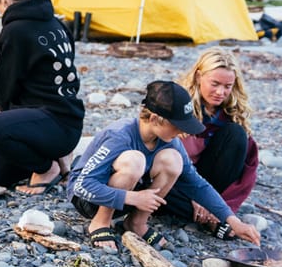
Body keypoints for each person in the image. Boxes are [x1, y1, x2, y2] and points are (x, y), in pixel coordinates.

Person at [65, 80, 260, 252]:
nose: (183, 131)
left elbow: (196, 184)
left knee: (173, 160)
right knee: (135, 160)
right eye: (178, 125)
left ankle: (137, 223)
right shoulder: (120, 136)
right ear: (155, 118)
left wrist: (233, 221)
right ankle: (100, 223)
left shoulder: (169, 141)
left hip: (130, 199)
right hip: (89, 199)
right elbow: (81, 185)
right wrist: (132, 197)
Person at [0, 0, 85, 195]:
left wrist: (10, 122)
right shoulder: (56, 24)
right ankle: (56, 158)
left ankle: (46, 168)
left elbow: (4, 88)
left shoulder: (15, 31)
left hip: (52, 122)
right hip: (67, 120)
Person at [158, 48, 259, 239]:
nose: (221, 92)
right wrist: (193, 196)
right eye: (215, 84)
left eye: (228, 86)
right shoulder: (178, 106)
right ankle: (214, 219)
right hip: (176, 179)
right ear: (198, 76)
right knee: (152, 188)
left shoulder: (231, 114)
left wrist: (216, 201)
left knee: (236, 134)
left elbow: (246, 171)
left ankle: (213, 211)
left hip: (209, 184)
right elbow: (158, 157)